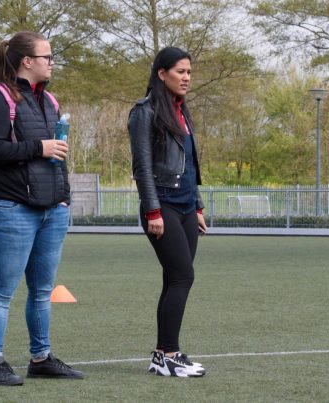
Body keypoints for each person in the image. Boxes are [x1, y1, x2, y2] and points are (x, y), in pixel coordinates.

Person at [0, 31, 83, 386]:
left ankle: (41, 358)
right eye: (47, 57)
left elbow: (59, 155)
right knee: (1, 291)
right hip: (12, 209)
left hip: (52, 210)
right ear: (27, 61)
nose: (51, 62)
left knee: (41, 291)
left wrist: (64, 197)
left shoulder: (49, 101)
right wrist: (39, 148)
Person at [127, 47, 208, 378]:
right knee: (182, 276)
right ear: (162, 74)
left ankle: (162, 356)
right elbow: (142, 167)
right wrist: (152, 211)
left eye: (189, 72)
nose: (187, 77)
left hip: (187, 206)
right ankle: (171, 355)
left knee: (174, 278)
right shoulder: (143, 113)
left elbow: (188, 162)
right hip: (163, 205)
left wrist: (199, 204)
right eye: (180, 71)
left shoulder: (181, 110)